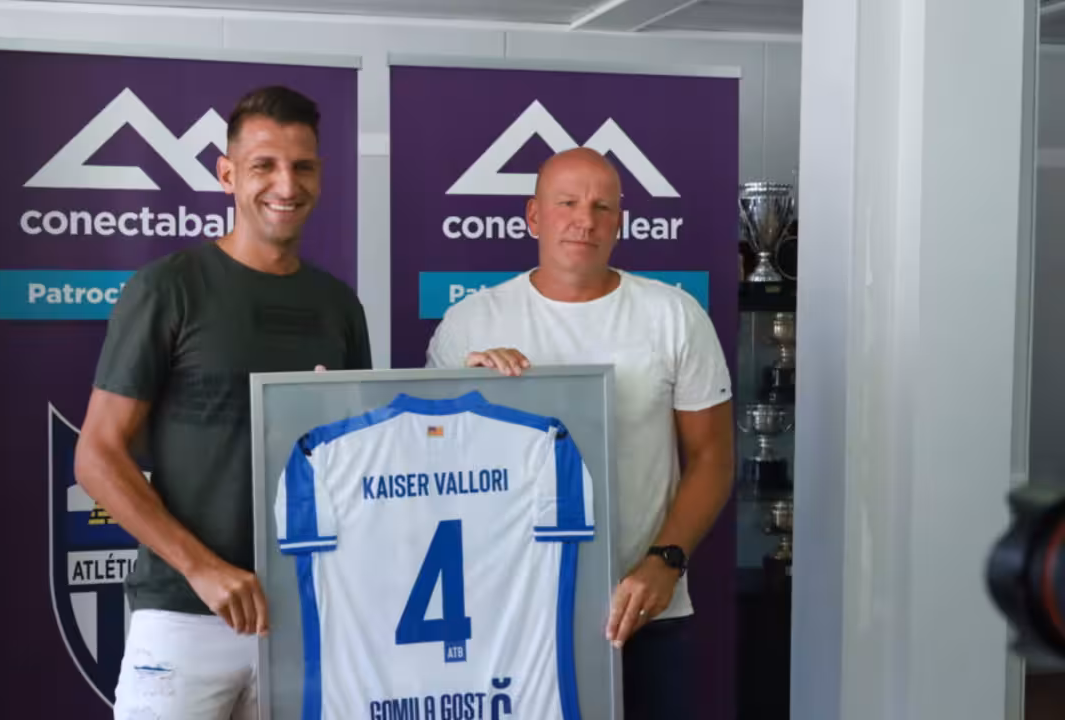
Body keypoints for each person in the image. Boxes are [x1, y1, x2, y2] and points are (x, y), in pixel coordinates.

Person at [74, 85, 372, 720]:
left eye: (303, 166)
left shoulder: (339, 305)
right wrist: (203, 569)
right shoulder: (168, 288)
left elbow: (360, 455)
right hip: (184, 616)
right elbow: (96, 456)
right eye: (264, 165)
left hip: (304, 616)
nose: (286, 184)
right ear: (228, 174)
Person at [424, 147, 735, 720]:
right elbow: (432, 467)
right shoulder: (471, 323)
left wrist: (665, 562)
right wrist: (469, 391)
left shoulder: (674, 314)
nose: (584, 220)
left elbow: (713, 457)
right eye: (566, 203)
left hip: (643, 609)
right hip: (511, 611)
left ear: (620, 221)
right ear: (533, 216)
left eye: (601, 207)